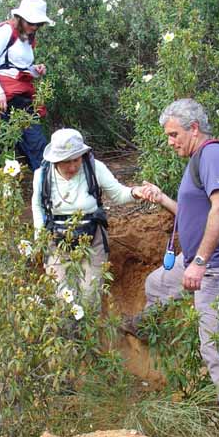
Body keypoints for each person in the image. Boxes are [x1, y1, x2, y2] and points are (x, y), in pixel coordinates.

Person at [124, 99, 219, 437]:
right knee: (157, 283)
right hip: (197, 263)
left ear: (193, 128)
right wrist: (163, 199)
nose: (170, 141)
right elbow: (192, 211)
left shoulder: (212, 154)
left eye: (173, 134)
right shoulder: (198, 160)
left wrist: (199, 262)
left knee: (216, 350)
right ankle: (149, 328)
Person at [32, 128, 147, 310]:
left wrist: (135, 192)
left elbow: (118, 194)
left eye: (76, 160)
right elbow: (38, 206)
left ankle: (89, 334)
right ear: (55, 160)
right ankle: (69, 335)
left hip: (92, 238)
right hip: (56, 239)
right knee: (62, 296)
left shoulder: (94, 168)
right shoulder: (42, 175)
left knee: (89, 296)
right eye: (65, 162)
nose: (72, 167)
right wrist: (39, 237)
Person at [0, 0, 51, 171]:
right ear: (21, 18)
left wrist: (35, 70)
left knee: (37, 144)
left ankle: (46, 191)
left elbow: (17, 67)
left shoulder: (29, 38)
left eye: (38, 24)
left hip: (21, 97)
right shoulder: (5, 32)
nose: (34, 27)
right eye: (31, 22)